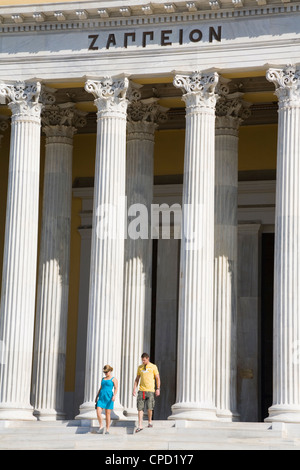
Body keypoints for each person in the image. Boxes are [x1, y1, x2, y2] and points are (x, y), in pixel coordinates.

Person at [132, 352, 160, 433]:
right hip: (141, 390)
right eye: (142, 360)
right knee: (140, 408)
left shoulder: (153, 367)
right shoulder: (140, 367)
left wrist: (158, 388)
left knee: (149, 408)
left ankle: (149, 421)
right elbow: (137, 379)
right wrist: (134, 389)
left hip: (150, 390)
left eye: (144, 360)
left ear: (148, 359)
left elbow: (157, 378)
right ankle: (140, 425)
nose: (143, 362)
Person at [95, 365, 118, 435]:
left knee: (108, 414)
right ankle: (101, 426)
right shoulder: (103, 379)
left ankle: (107, 429)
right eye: (104, 372)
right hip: (101, 397)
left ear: (110, 371)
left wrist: (114, 396)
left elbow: (116, 388)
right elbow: (100, 388)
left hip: (109, 397)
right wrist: (96, 396)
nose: (105, 373)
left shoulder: (113, 379)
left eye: (106, 372)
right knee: (98, 412)